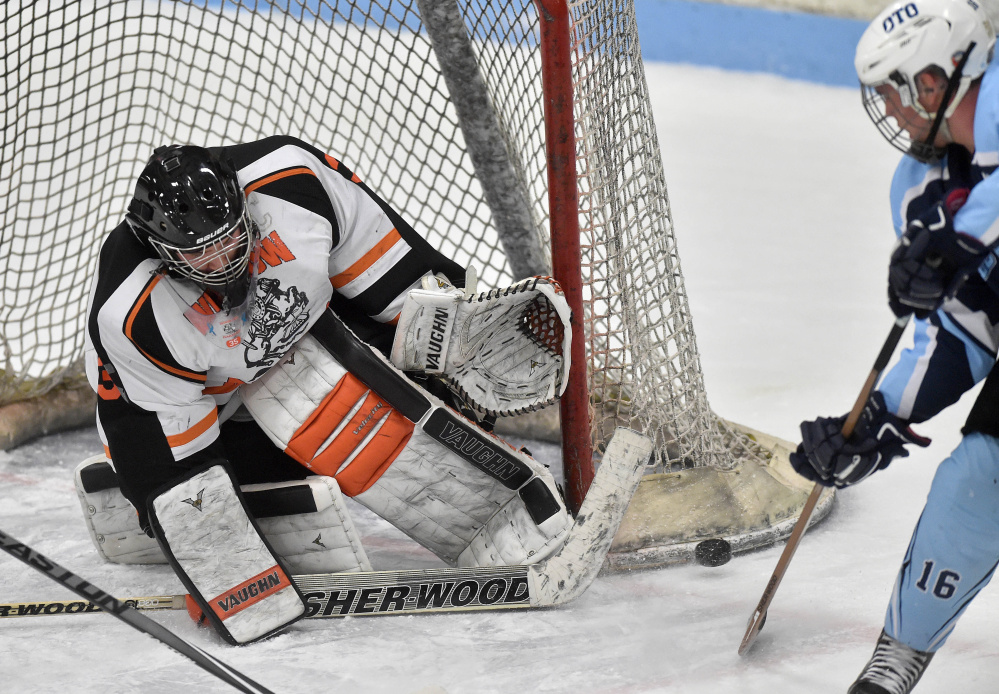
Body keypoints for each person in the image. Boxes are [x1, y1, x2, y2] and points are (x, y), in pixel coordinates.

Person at [80, 136, 573, 644]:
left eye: (230, 239)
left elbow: (402, 286)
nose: (224, 260)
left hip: (309, 337)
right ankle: (159, 505)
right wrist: (209, 556)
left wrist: (455, 362)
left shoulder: (292, 180)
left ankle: (494, 486)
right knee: (321, 403)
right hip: (211, 419)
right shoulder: (133, 314)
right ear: (162, 252)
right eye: (201, 256)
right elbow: (170, 452)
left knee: (406, 373)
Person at [789, 1, 999, 692]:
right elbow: (961, 335)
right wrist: (873, 422)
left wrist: (962, 239)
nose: (889, 108)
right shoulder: (920, 192)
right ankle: (895, 663)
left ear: (937, 81)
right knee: (976, 476)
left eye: (894, 88)